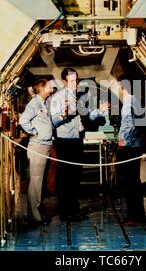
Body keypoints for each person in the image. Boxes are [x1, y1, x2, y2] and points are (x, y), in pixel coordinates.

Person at [49, 68, 110, 222]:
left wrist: (100, 111)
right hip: (65, 142)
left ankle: (74, 210)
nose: (75, 83)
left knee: (75, 176)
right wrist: (63, 115)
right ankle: (65, 212)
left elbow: (88, 115)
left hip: (77, 140)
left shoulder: (79, 97)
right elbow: (54, 121)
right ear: (64, 82)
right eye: (71, 81)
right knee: (64, 178)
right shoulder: (58, 98)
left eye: (76, 80)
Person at [116, 74, 146, 226]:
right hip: (137, 146)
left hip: (129, 147)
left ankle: (133, 216)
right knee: (134, 180)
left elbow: (128, 124)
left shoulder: (128, 102)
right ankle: (139, 215)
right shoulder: (138, 101)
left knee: (129, 182)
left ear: (122, 86)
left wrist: (124, 141)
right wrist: (144, 140)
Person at [19, 78, 54, 224]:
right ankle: (34, 216)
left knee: (40, 180)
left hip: (45, 145)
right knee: (36, 181)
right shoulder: (34, 103)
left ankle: (37, 212)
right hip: (38, 146)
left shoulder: (42, 103)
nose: (51, 88)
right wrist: (34, 131)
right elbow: (23, 120)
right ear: (42, 88)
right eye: (49, 86)